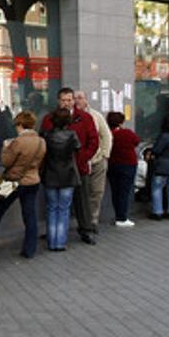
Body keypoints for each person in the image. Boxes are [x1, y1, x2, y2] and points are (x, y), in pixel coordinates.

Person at [0, 110, 44, 259]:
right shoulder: (41, 141)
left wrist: (6, 147)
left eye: (16, 125)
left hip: (14, 183)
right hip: (33, 181)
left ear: (20, 124)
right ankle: (29, 249)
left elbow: (6, 162)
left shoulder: (18, 142)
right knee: (30, 215)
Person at [39, 87, 99, 244]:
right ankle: (55, 233)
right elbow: (43, 141)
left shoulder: (85, 118)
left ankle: (86, 229)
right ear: (59, 101)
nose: (67, 103)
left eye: (70, 100)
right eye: (64, 100)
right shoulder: (49, 119)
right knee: (54, 204)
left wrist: (83, 158)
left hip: (79, 166)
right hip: (55, 167)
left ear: (74, 100)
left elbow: (93, 140)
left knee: (82, 200)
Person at [41, 108, 81, 251]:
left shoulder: (46, 135)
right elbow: (78, 148)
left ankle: (52, 242)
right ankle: (60, 242)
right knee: (64, 210)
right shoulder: (72, 135)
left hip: (50, 175)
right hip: (68, 175)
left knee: (52, 209)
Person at [75, 91, 111, 235]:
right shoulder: (69, 117)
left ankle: (93, 220)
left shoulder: (96, 116)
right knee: (81, 193)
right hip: (79, 162)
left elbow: (106, 135)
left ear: (86, 100)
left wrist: (104, 154)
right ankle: (82, 221)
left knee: (96, 191)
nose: (77, 101)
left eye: (80, 98)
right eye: (75, 98)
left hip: (97, 160)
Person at [106, 112, 140, 227]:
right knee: (124, 192)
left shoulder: (108, 134)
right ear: (121, 122)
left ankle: (118, 215)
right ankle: (122, 217)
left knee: (115, 191)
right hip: (128, 164)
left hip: (112, 165)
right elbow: (136, 141)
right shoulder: (127, 133)